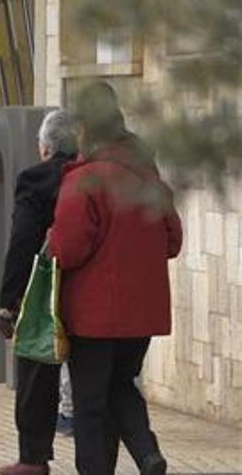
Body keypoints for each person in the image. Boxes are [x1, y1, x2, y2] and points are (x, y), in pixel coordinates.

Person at [49, 82, 183, 475]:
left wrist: (52, 241)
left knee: (90, 404)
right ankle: (147, 454)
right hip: (142, 312)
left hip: (94, 314)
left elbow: (70, 248)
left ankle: (108, 466)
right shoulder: (148, 177)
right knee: (121, 384)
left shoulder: (85, 179)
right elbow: (172, 241)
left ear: (84, 129)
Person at [0, 110, 79, 475]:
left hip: (45, 292)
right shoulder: (93, 179)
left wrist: (7, 303)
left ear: (44, 148)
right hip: (90, 291)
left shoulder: (35, 179)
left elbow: (23, 241)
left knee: (34, 370)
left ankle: (33, 458)